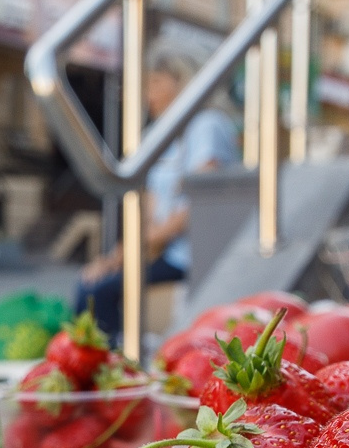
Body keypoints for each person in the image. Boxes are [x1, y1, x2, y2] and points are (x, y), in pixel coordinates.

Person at [76, 44, 240, 343]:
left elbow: (198, 204)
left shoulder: (207, 125)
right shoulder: (162, 133)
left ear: (182, 82)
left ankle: (110, 364)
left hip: (195, 253)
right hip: (167, 249)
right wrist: (117, 257)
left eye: (155, 82)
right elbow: (150, 211)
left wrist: (138, 247)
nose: (147, 94)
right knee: (92, 287)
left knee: (98, 293)